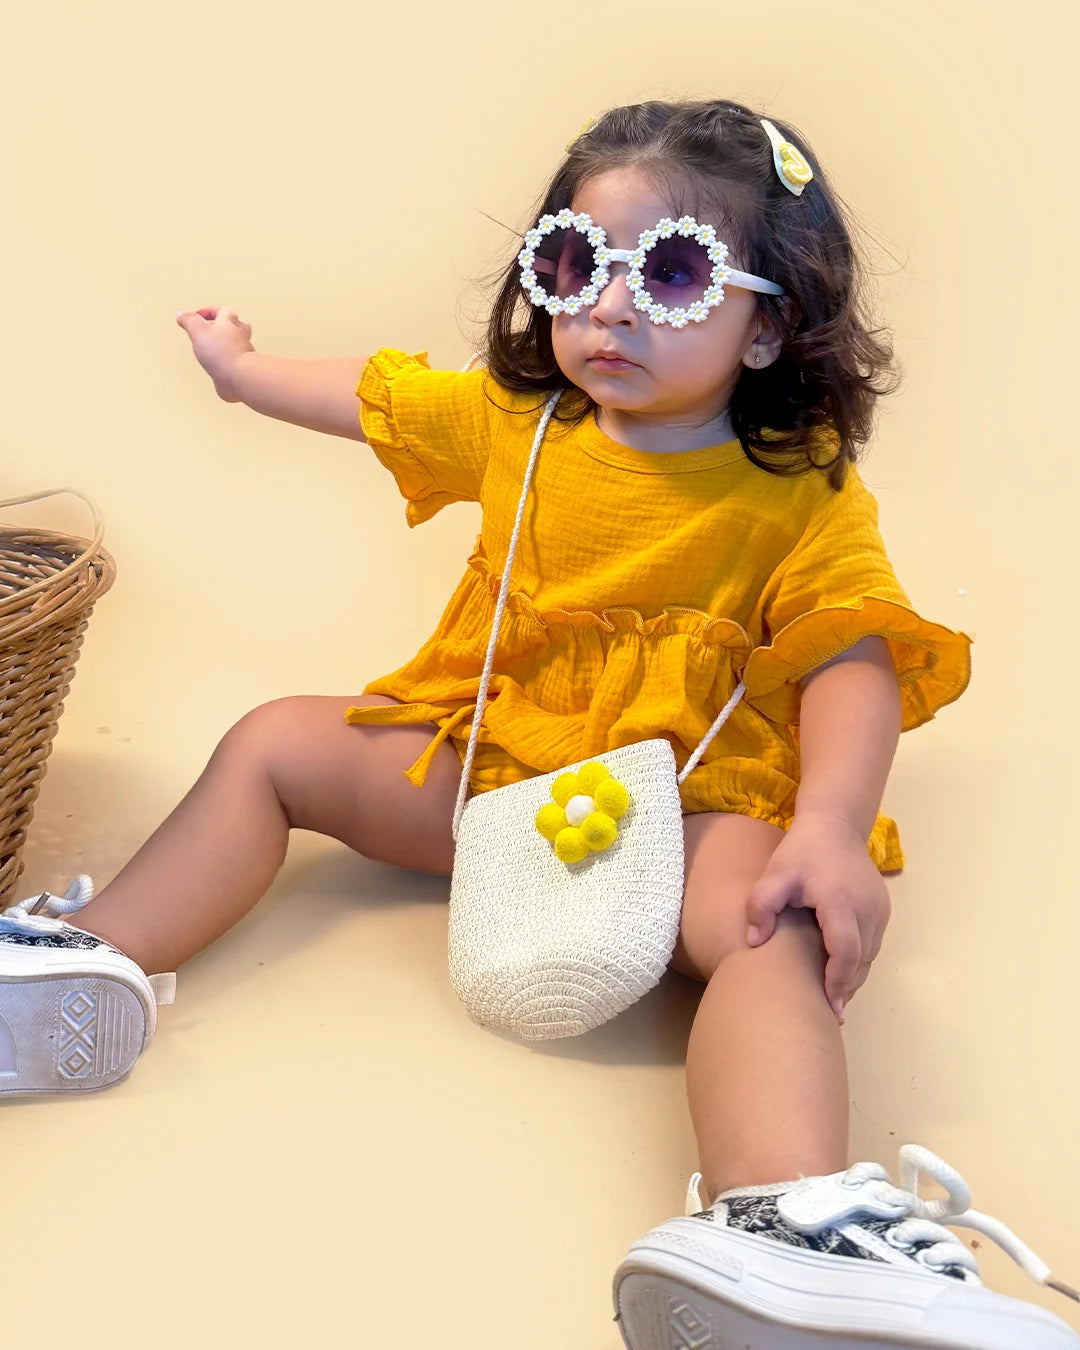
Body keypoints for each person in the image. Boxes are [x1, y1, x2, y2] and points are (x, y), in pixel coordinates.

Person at [0, 98, 1075, 1350]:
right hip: (494, 769)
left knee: (764, 924)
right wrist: (244, 373)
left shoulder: (800, 491)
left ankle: (779, 1220)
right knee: (272, 744)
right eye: (575, 264)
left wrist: (828, 825)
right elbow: (376, 395)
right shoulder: (524, 425)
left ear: (771, 322)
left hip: (688, 799)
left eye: (671, 275)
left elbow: (850, 656)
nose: (609, 306)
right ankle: (84, 965)